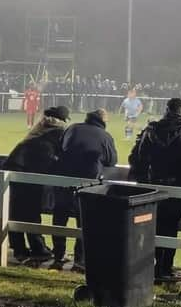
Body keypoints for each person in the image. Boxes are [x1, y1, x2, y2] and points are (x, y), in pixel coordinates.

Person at [129, 98, 181, 283]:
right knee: (170, 228)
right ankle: (164, 267)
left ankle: (152, 266)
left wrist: (144, 181)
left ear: (166, 109)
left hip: (152, 186)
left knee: (152, 227)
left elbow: (137, 158)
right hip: (176, 188)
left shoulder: (150, 131)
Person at [51, 108, 117, 271]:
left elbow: (59, 148)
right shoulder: (105, 136)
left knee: (60, 217)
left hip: (63, 179)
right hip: (88, 183)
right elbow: (111, 161)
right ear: (103, 120)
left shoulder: (72, 128)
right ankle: (80, 260)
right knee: (84, 221)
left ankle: (58, 255)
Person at [4, 106, 69, 262]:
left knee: (17, 210)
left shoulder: (38, 129)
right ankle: (38, 248)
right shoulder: (58, 132)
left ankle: (20, 248)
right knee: (31, 211)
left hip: (16, 167)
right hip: (29, 171)